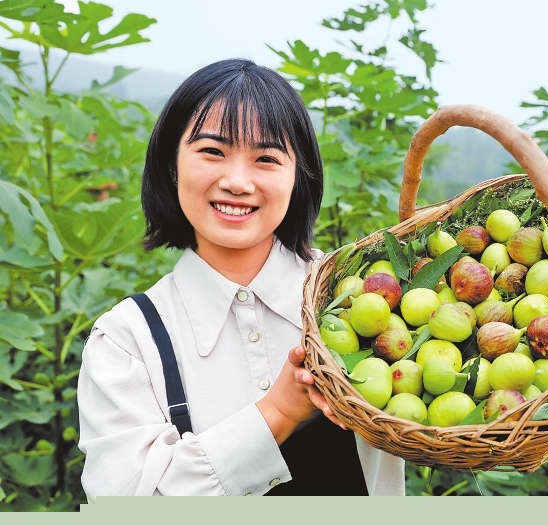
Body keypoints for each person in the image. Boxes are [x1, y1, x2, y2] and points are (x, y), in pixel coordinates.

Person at [76, 58, 405, 496]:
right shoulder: (127, 340)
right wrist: (278, 413)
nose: (237, 181)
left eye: (266, 158)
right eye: (212, 151)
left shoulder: (358, 293)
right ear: (172, 165)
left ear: (297, 177)